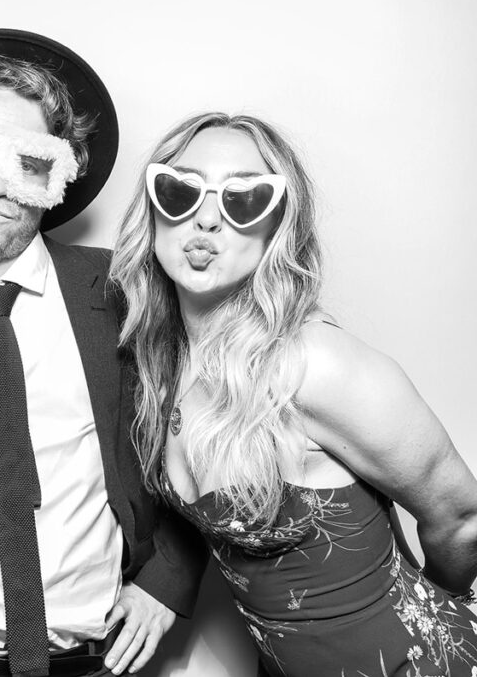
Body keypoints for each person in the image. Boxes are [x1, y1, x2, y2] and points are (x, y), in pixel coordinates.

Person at [0, 29, 205, 677]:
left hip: (92, 660)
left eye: (26, 162)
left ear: (59, 174)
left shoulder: (123, 290)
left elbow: (210, 432)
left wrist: (168, 577)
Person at [109, 112, 477, 676]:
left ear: (277, 223)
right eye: (181, 190)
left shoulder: (314, 365)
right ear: (154, 209)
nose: (206, 219)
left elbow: (462, 519)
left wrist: (426, 626)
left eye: (243, 199)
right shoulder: (163, 360)